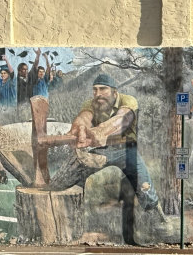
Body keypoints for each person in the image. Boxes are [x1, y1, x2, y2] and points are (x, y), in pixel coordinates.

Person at [48, 73, 163, 232]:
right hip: (102, 151)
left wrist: (102, 131)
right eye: (95, 89)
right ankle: (68, 221)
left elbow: (122, 119)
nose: (98, 93)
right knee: (73, 177)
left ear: (114, 92)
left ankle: (158, 223)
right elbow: (84, 117)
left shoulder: (128, 100)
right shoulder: (91, 103)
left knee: (145, 187)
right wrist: (78, 128)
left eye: (103, 89)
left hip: (126, 150)